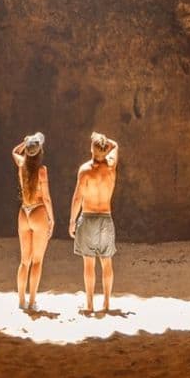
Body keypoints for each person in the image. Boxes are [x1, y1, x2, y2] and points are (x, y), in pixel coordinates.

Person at [68, 131, 119, 313]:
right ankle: (106, 304)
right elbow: (115, 146)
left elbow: (77, 198)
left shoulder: (85, 171)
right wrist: (104, 139)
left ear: (91, 149)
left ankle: (89, 304)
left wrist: (72, 221)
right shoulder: (111, 167)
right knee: (107, 263)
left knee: (89, 264)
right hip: (105, 217)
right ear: (105, 150)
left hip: (88, 217)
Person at [12, 132, 54, 312]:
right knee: (37, 262)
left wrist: (24, 143)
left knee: (24, 262)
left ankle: (21, 300)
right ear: (40, 152)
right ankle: (32, 302)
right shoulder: (42, 171)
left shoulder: (21, 164)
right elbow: (46, 198)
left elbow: (14, 151)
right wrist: (51, 219)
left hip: (24, 213)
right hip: (38, 212)